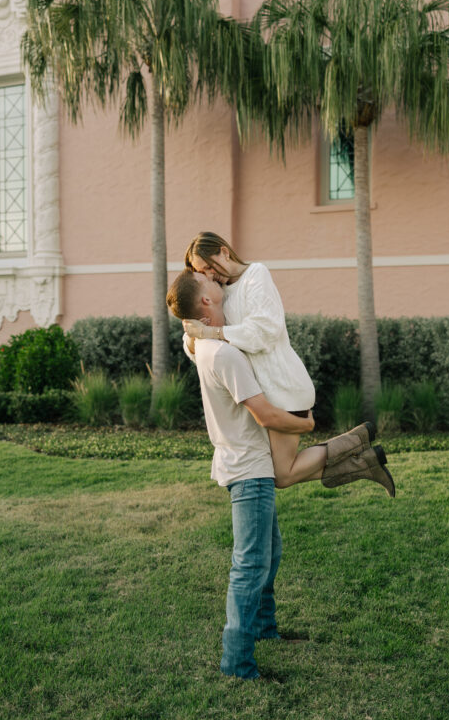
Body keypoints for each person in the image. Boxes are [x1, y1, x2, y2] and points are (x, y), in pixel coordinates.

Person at [166, 269, 395, 680]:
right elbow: (267, 414)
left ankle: (265, 629)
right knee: (250, 564)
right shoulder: (226, 354)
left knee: (269, 553)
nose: (216, 281)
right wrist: (308, 425)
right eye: (208, 282)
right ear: (205, 302)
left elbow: (194, 336)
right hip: (250, 468)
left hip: (244, 460)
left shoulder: (203, 345)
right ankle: (237, 663)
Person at [180, 231, 389, 490]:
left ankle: (355, 446)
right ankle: (365, 460)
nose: (211, 274)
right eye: (204, 272)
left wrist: (210, 332)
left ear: (223, 250)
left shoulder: (256, 275)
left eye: (210, 266)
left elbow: (265, 332)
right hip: (268, 394)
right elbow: (200, 350)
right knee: (280, 473)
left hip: (284, 387)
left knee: (282, 475)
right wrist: (192, 337)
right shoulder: (221, 291)